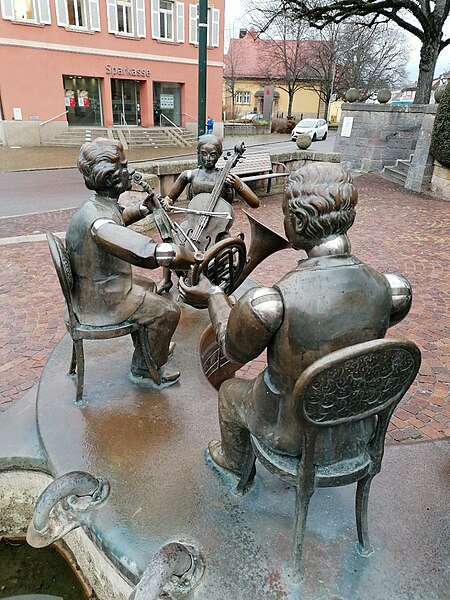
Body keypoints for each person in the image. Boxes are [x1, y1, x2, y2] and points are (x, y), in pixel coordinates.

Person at [179, 162, 413, 476]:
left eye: (287, 215)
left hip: (289, 434)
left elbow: (232, 350)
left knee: (230, 393)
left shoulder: (272, 303)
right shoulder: (391, 289)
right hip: (355, 431)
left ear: (299, 221)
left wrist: (212, 296)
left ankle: (235, 462)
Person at [65, 138, 195, 387]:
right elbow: (141, 251)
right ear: (110, 177)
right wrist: (172, 253)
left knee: (149, 288)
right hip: (102, 301)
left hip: (94, 288)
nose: (130, 171)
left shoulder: (96, 206)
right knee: (168, 312)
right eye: (125, 167)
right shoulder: (98, 224)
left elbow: (117, 220)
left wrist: (143, 210)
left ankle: (149, 347)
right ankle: (145, 367)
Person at [157, 134, 260, 293]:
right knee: (169, 243)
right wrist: (167, 202)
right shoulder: (189, 175)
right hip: (192, 223)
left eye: (213, 154)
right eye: (204, 154)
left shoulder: (226, 176)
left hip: (216, 228)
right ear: (198, 152)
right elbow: (170, 199)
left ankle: (220, 287)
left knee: (228, 253)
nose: (208, 158)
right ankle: (166, 280)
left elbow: (255, 203)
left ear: (219, 155)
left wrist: (239, 185)